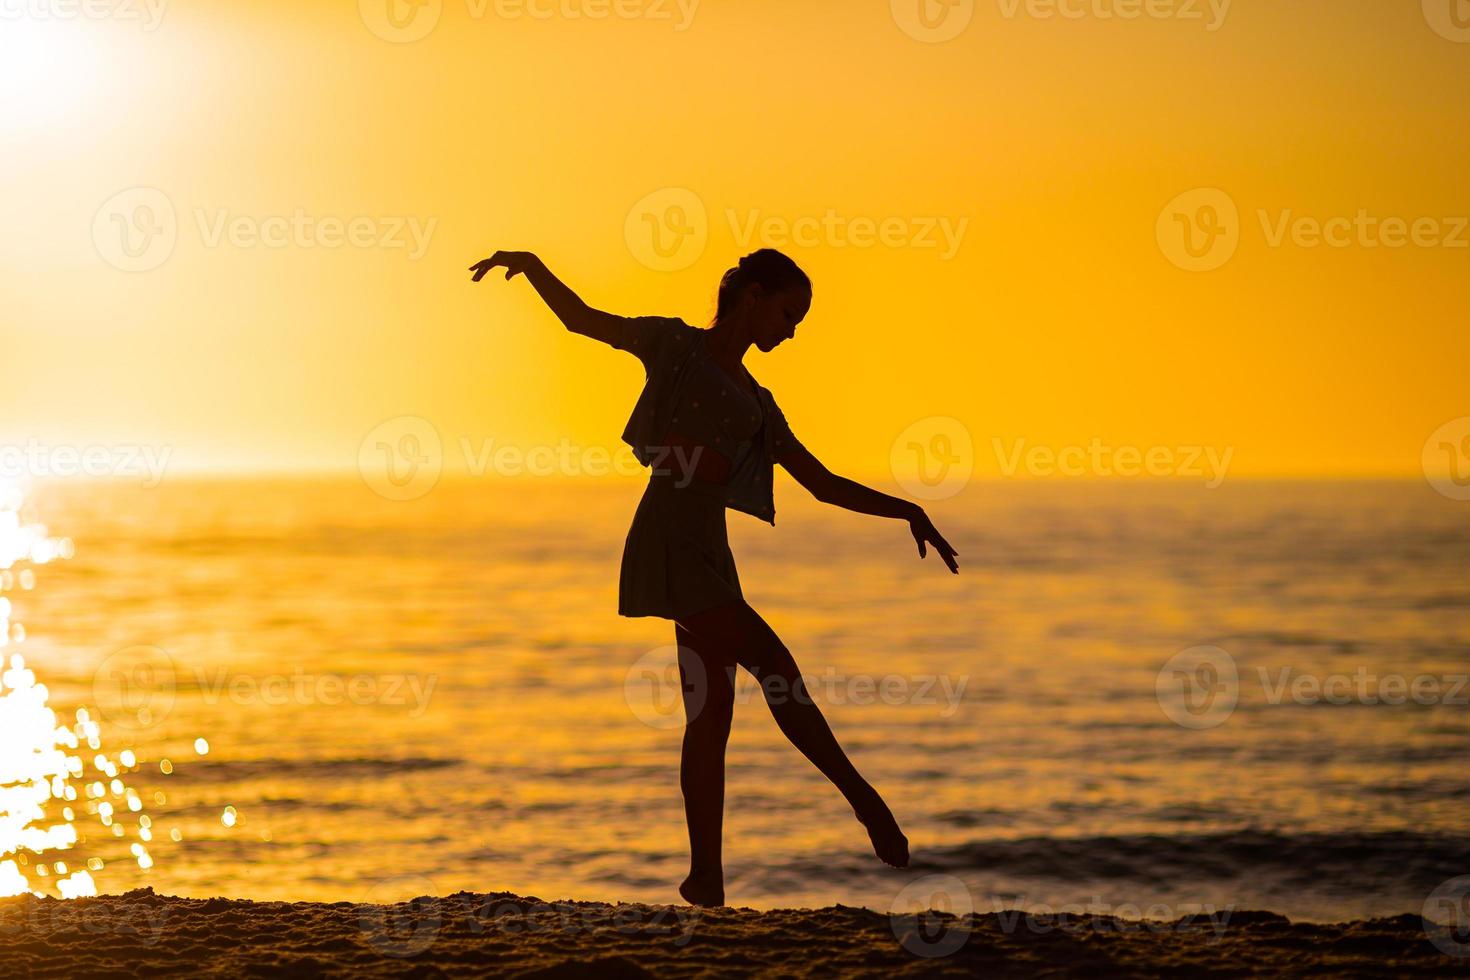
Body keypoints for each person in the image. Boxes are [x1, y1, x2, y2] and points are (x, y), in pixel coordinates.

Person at [469, 247, 960, 907]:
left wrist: (908, 509)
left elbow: (820, 483)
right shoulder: (674, 345)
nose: (791, 331)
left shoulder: (759, 403)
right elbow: (584, 321)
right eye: (788, 313)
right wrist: (532, 266)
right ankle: (865, 801)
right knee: (777, 667)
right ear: (752, 295)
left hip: (711, 551)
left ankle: (706, 880)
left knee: (710, 719)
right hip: (670, 539)